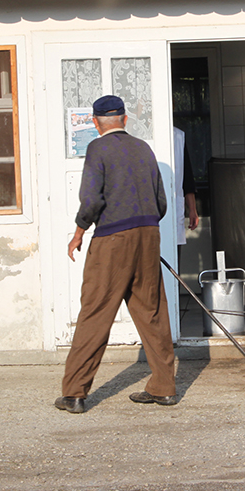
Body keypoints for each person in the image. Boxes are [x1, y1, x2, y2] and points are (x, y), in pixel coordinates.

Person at [55, 95, 177, 414]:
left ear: (96, 123)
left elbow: (92, 199)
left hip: (113, 238)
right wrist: (144, 230)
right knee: (151, 309)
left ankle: (75, 393)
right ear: (124, 119)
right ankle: (164, 387)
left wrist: (79, 231)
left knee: (96, 309)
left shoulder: (98, 148)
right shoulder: (144, 149)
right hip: (148, 234)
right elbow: (161, 202)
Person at [173, 126, 199, 246]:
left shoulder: (178, 136)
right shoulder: (141, 132)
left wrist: (192, 209)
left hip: (174, 207)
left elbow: (186, 177)